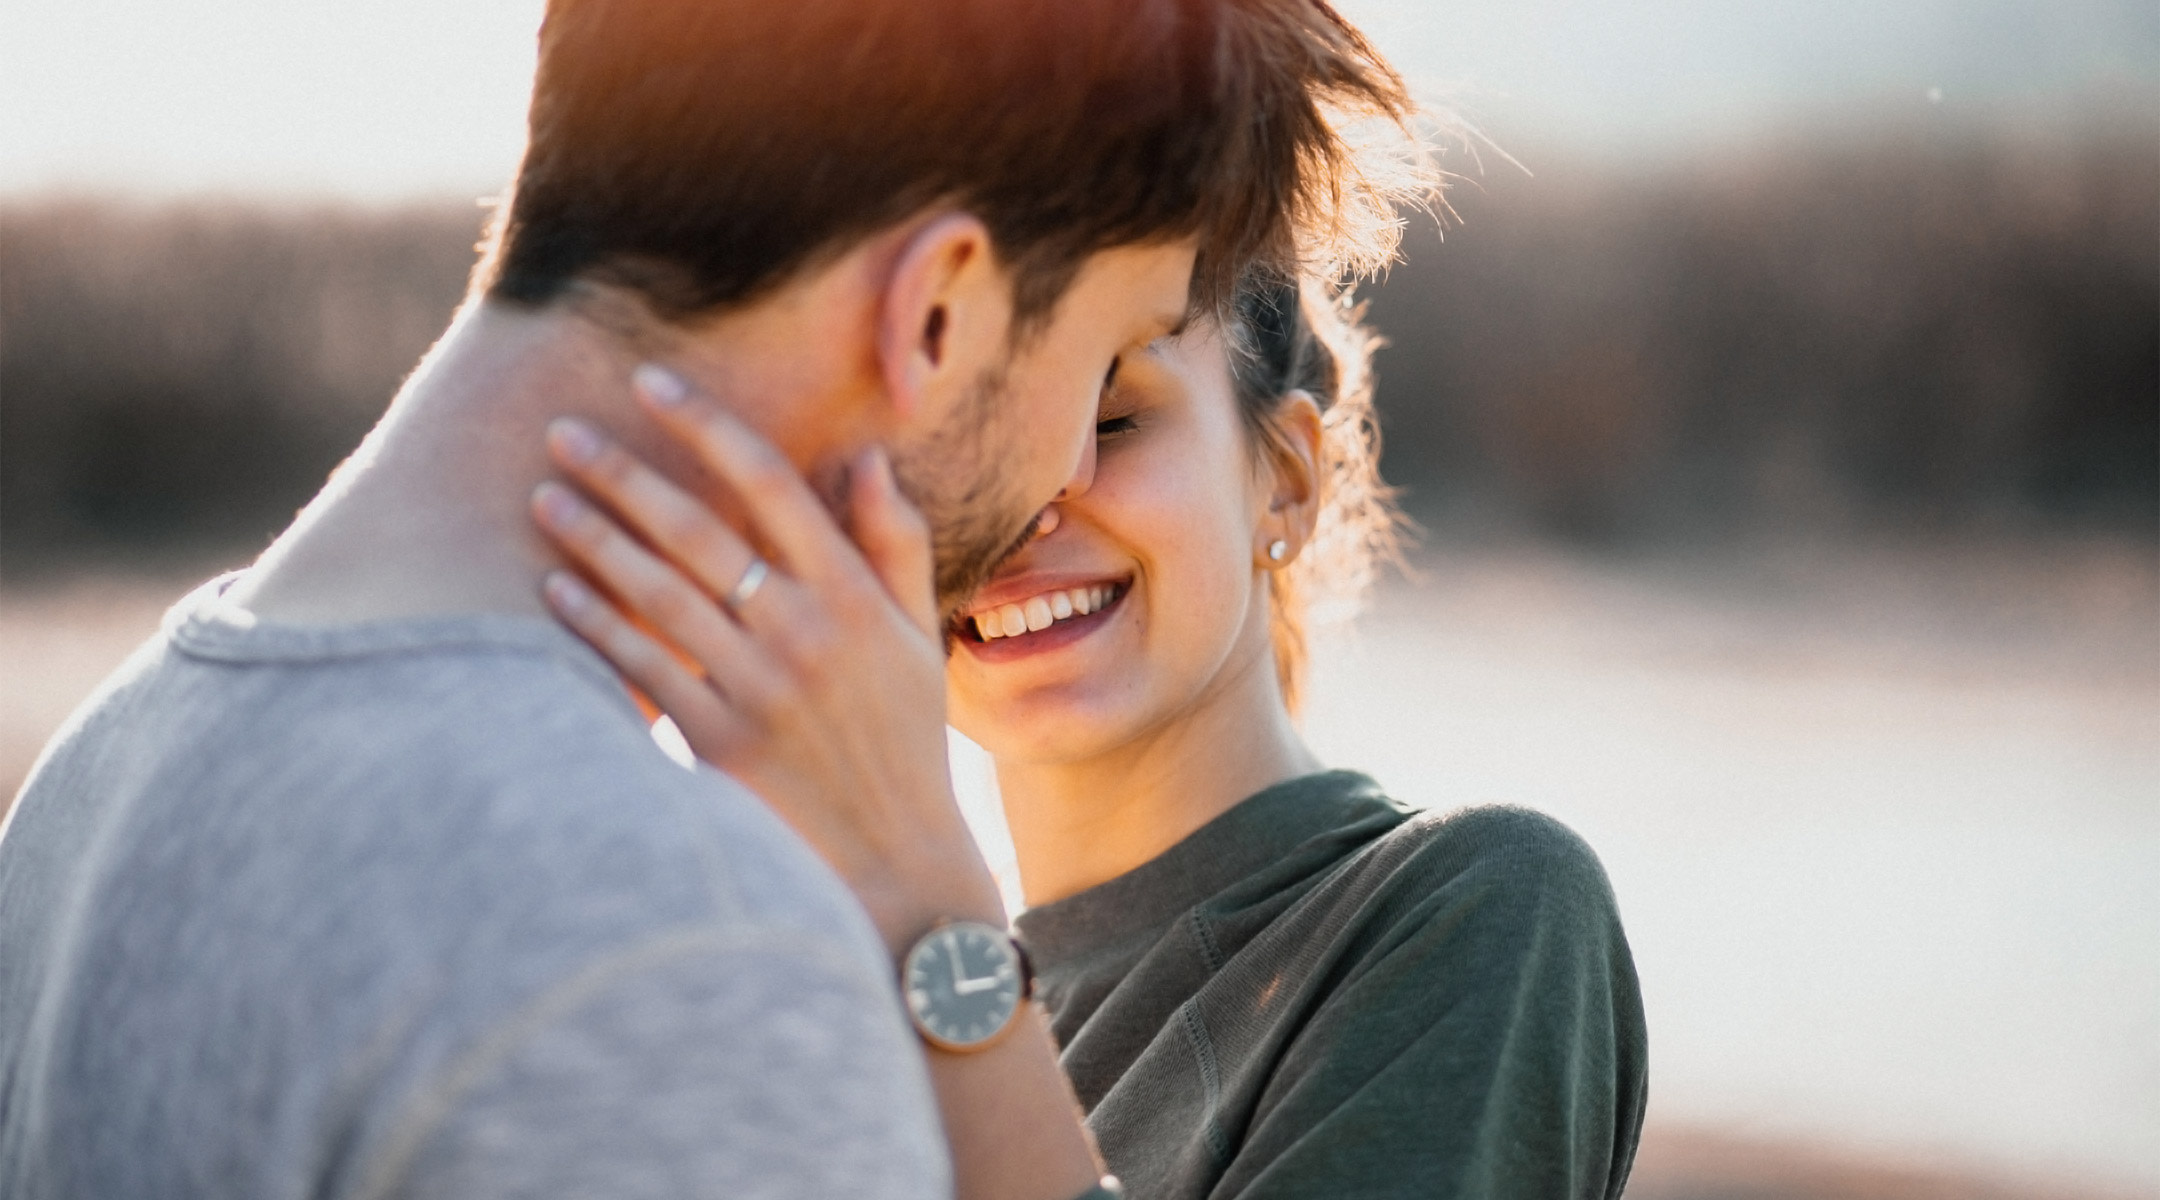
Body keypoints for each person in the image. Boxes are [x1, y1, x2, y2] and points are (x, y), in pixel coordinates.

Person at [0, 2, 1421, 1198]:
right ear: (935, 312)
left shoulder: (99, 771)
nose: (1058, 478)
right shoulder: (690, 948)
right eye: (1098, 363)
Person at [536, 278, 1650, 1197]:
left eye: (1109, 421)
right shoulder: (863, 1023)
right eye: (932, 459)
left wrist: (928, 909)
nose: (1021, 512)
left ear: (1287, 480)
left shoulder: (1470, 906)